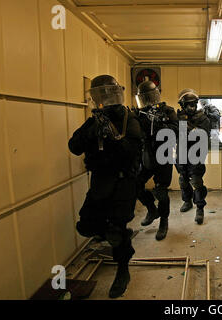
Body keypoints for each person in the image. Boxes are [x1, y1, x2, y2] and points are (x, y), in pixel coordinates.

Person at [68, 75, 143, 298]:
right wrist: (90, 132)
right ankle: (120, 237)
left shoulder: (128, 118)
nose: (106, 99)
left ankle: (123, 270)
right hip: (101, 181)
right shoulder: (94, 120)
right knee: (86, 226)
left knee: (115, 230)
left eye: (108, 93)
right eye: (101, 95)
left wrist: (115, 138)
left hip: (123, 182)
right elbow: (74, 147)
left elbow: (132, 151)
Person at [134, 80, 179, 241]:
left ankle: (164, 221)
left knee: (161, 191)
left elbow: (177, 130)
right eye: (143, 98)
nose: (147, 101)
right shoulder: (138, 114)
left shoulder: (167, 111)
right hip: (146, 155)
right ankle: (151, 209)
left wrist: (160, 127)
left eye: (148, 97)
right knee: (135, 184)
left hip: (164, 155)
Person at [175, 89, 211, 224]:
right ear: (183, 106)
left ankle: (200, 208)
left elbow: (201, 135)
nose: (192, 107)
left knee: (196, 182)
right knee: (183, 180)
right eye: (189, 105)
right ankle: (187, 201)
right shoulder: (178, 117)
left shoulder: (203, 118)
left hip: (196, 154)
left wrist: (185, 126)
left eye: (194, 104)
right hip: (181, 153)